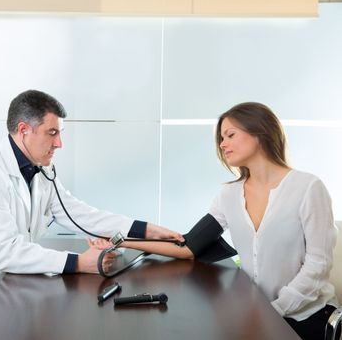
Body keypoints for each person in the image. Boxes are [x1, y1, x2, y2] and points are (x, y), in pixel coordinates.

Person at [0, 89, 182, 340]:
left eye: (60, 133)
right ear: (24, 130)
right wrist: (80, 263)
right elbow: (4, 251)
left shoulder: (40, 171)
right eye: (52, 133)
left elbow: (82, 215)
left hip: (5, 289)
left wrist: (149, 230)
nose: (60, 143)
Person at [117, 102, 339, 340]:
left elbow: (318, 265)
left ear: (260, 132)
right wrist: (123, 243)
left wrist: (273, 311)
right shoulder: (229, 195)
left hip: (305, 317)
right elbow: (190, 246)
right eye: (222, 138)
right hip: (252, 312)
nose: (222, 144)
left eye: (230, 135)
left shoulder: (308, 188)